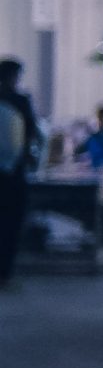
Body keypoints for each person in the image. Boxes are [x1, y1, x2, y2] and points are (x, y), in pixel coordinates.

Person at [0, 58, 36, 290]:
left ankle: (5, 273)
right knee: (10, 224)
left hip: (13, 172)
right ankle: (5, 273)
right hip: (13, 175)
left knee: (10, 224)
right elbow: (31, 133)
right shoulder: (20, 102)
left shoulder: (21, 101)